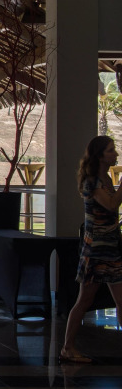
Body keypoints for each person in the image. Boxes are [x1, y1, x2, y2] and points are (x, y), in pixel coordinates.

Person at [60, 135, 122, 363]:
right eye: (111, 150)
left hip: (111, 248)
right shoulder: (93, 181)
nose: (115, 154)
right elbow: (112, 204)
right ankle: (67, 348)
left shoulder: (105, 178)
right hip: (95, 250)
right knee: (85, 300)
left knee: (120, 300)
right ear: (100, 156)